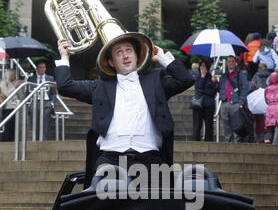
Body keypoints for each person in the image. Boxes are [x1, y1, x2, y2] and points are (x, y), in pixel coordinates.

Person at [55, 37, 194, 187]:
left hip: (151, 161)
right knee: (105, 209)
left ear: (137, 55)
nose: (125, 56)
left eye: (129, 50)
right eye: (119, 52)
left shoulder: (156, 81)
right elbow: (65, 86)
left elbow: (186, 80)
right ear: (111, 62)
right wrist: (64, 56)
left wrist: (162, 57)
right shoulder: (99, 86)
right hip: (109, 161)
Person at [218, 55, 249, 142]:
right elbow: (219, 88)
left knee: (237, 126)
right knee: (226, 126)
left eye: (232, 61)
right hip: (224, 102)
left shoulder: (241, 74)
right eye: (229, 61)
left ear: (235, 63)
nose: (231, 63)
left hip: (235, 103)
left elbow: (244, 88)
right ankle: (227, 143)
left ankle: (237, 145)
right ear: (226, 63)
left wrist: (241, 102)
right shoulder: (223, 76)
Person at [26, 61, 56, 141]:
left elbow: (54, 93)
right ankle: (35, 140)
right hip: (34, 102)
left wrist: (52, 103)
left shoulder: (50, 78)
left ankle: (44, 141)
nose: (43, 69)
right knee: (34, 123)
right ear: (37, 69)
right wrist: (29, 103)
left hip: (46, 102)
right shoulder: (31, 79)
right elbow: (27, 93)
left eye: (44, 67)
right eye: (41, 67)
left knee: (45, 124)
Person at [192, 59, 217, 141]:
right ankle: (195, 142)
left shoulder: (211, 77)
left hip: (208, 104)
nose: (203, 68)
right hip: (198, 104)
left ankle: (208, 141)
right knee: (197, 125)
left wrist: (214, 83)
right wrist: (202, 77)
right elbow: (198, 87)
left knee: (209, 125)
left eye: (205, 66)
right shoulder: (197, 77)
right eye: (201, 66)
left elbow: (213, 91)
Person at [250, 62, 271, 142]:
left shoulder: (256, 75)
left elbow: (253, 84)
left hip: (258, 97)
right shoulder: (270, 75)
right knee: (268, 117)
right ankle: (267, 136)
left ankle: (259, 138)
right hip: (268, 97)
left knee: (259, 118)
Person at [264, 71, 278, 144]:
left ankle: (268, 139)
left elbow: (266, 100)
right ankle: (275, 144)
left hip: (270, 107)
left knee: (270, 125)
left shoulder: (267, 89)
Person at [0, 69, 22, 141]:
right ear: (9, 75)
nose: (14, 76)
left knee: (13, 129)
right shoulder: (3, 83)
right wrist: (14, 87)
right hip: (7, 108)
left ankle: (12, 143)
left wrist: (18, 87)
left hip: (14, 108)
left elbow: (18, 96)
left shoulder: (12, 83)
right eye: (13, 74)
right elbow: (7, 94)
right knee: (7, 128)